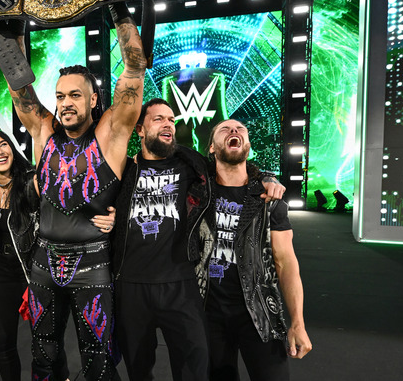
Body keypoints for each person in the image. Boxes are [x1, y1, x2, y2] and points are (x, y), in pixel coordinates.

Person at [5, 0, 146, 381]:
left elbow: (135, 70)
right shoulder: (43, 129)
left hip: (92, 265)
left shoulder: (110, 133)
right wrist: (16, 10)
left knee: (98, 358)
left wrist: (115, 1)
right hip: (44, 262)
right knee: (43, 355)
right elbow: (17, 83)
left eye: (75, 96)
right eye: (60, 95)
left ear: (93, 99)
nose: (65, 102)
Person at [113, 99, 286, 381]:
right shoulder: (125, 171)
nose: (168, 123)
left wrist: (265, 177)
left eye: (171, 119)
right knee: (138, 370)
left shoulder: (192, 166)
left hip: (182, 285)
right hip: (130, 285)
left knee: (194, 371)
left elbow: (231, 164)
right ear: (140, 129)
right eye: (158, 119)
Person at [0, 129, 116, 381]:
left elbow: (71, 206)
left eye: (4, 144)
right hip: (0, 275)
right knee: (4, 344)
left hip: (35, 271)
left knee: (48, 342)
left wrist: (112, 215)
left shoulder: (34, 180)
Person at [197, 118, 312, 381]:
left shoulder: (269, 199)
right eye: (225, 129)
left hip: (259, 311)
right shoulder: (197, 194)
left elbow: (286, 263)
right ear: (212, 147)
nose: (234, 131)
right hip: (208, 313)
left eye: (240, 129)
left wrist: (297, 323)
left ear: (248, 145)